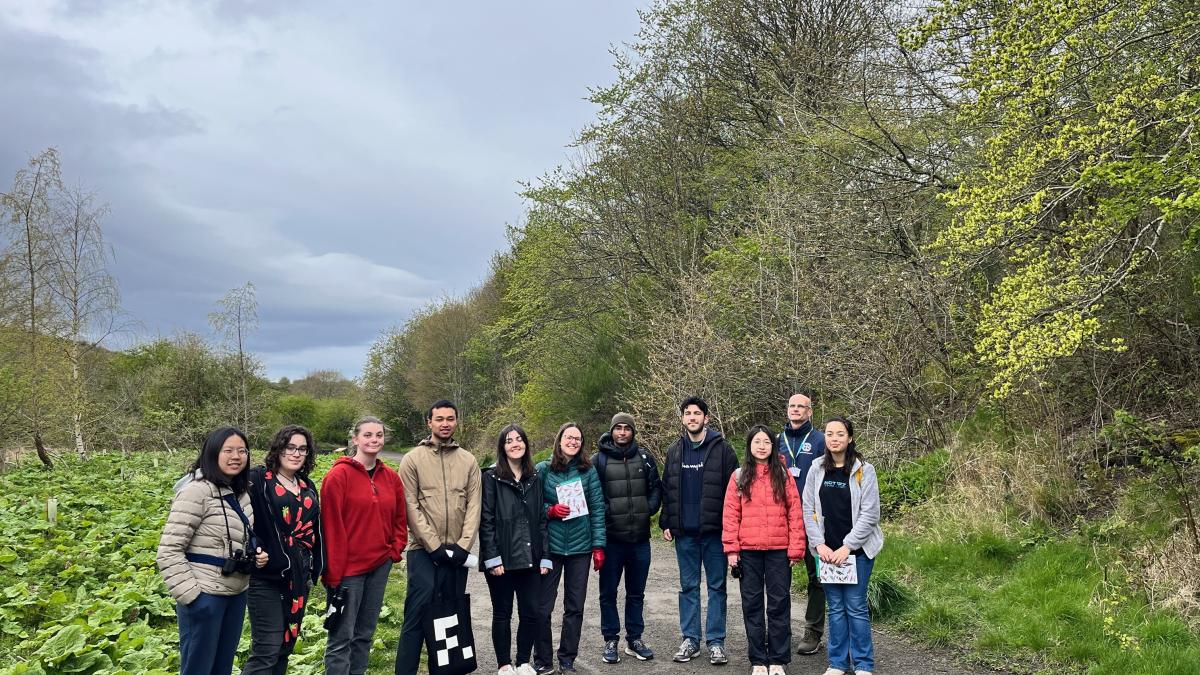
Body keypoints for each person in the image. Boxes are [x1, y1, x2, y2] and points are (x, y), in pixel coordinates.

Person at [158, 426, 269, 675]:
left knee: (222, 668)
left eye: (242, 451)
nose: (236, 456)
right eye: (228, 450)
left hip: (236, 593)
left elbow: (235, 537)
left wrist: (256, 553)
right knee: (198, 668)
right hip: (206, 594)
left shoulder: (240, 492)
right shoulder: (196, 491)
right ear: (212, 453)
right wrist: (194, 598)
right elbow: (169, 550)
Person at [396, 399, 483, 675]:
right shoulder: (412, 460)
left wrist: (462, 546)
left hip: (457, 553)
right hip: (422, 551)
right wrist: (433, 546)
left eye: (450, 418)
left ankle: (446, 670)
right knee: (417, 614)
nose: (445, 424)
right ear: (429, 422)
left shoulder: (468, 460)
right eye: (439, 419)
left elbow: (474, 506)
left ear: (456, 421)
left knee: (450, 614)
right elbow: (410, 505)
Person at [321, 416, 408, 675]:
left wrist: (394, 550)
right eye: (368, 435)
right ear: (355, 439)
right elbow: (331, 527)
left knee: (365, 634)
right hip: (347, 571)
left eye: (379, 435)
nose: (374, 440)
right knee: (341, 637)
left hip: (378, 566)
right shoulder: (338, 476)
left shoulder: (391, 478)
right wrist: (334, 574)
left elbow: (400, 519)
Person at [659, 396, 739, 666]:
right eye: (687, 413)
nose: (692, 417)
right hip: (685, 534)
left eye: (697, 413)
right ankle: (690, 639)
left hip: (715, 534)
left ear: (706, 418)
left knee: (717, 587)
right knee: (688, 587)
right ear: (682, 418)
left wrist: (732, 530)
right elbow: (668, 488)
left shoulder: (723, 449)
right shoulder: (674, 451)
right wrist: (667, 521)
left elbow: (734, 494)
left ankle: (716, 642)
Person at [802, 417, 883, 675]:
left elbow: (870, 514)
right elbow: (808, 509)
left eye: (840, 434)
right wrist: (819, 544)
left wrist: (847, 547)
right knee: (835, 607)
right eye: (829, 433)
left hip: (856, 553)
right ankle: (837, 663)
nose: (834, 438)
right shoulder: (816, 468)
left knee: (855, 607)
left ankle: (863, 664)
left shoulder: (864, 470)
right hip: (826, 554)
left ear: (849, 438)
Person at [723, 425, 806, 675]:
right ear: (749, 446)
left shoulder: (783, 475)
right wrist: (732, 550)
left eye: (766, 442)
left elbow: (795, 512)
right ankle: (758, 659)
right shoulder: (738, 476)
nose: (761, 446)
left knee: (779, 604)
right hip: (748, 552)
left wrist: (796, 548)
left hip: (779, 550)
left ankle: (779, 659)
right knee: (752, 604)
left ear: (773, 446)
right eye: (757, 441)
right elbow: (730, 515)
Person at [243, 425, 324, 675]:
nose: (296, 453)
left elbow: (314, 530)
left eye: (302, 449)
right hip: (267, 575)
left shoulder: (307, 485)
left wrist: (317, 566)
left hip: (299, 576)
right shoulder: (258, 479)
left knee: (284, 648)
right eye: (290, 447)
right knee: (266, 649)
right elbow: (241, 519)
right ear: (278, 449)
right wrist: (252, 548)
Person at [533, 422, 606, 675]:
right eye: (569, 437)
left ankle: (567, 658)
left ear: (582, 443)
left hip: (580, 549)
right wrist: (549, 511)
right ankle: (542, 658)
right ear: (559, 440)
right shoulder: (542, 470)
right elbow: (530, 506)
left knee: (574, 607)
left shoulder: (588, 471)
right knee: (543, 607)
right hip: (549, 548)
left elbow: (598, 509)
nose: (573, 442)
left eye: (578, 438)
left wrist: (598, 546)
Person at [480, 424, 552, 675]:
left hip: (532, 558)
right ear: (502, 446)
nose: (515, 444)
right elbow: (486, 520)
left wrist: (545, 556)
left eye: (519, 439)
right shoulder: (490, 477)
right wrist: (492, 558)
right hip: (502, 559)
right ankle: (504, 664)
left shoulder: (535, 477)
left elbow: (542, 520)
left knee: (530, 611)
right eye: (509, 440)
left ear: (526, 444)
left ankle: (523, 661)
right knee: (502, 613)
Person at [594, 412, 661, 663]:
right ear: (612, 431)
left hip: (640, 540)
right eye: (618, 428)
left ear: (633, 431)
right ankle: (610, 639)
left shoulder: (644, 458)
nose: (622, 432)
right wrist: (609, 513)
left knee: (636, 593)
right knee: (608, 593)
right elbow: (594, 495)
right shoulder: (598, 460)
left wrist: (648, 509)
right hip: (612, 540)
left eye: (627, 428)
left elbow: (656, 488)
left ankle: (635, 638)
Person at [780, 392, 827, 655]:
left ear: (810, 412)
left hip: (813, 520)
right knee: (779, 578)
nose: (796, 410)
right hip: (784, 519)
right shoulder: (778, 441)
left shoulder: (821, 440)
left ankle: (813, 631)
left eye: (801, 406)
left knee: (817, 577)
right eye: (792, 406)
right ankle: (780, 629)